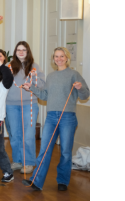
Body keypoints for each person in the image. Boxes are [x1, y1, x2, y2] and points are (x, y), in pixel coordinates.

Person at [22, 47, 90, 192]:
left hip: (68, 117)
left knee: (65, 151)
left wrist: (80, 88)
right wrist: (31, 88)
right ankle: (36, 181)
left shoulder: (74, 74)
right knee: (44, 150)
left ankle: (63, 181)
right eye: (56, 56)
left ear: (67, 58)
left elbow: (85, 95)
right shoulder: (51, 76)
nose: (59, 59)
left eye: (61, 56)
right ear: (53, 59)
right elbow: (45, 96)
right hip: (51, 117)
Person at [6, 41, 45, 174]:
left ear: (28, 52)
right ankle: (17, 161)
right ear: (15, 52)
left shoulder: (34, 66)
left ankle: (28, 162)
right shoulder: (9, 66)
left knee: (28, 135)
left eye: (24, 50)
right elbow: (2, 83)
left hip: (30, 104)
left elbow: (42, 85)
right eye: (19, 50)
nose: (21, 52)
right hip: (11, 105)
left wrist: (34, 78)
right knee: (15, 135)